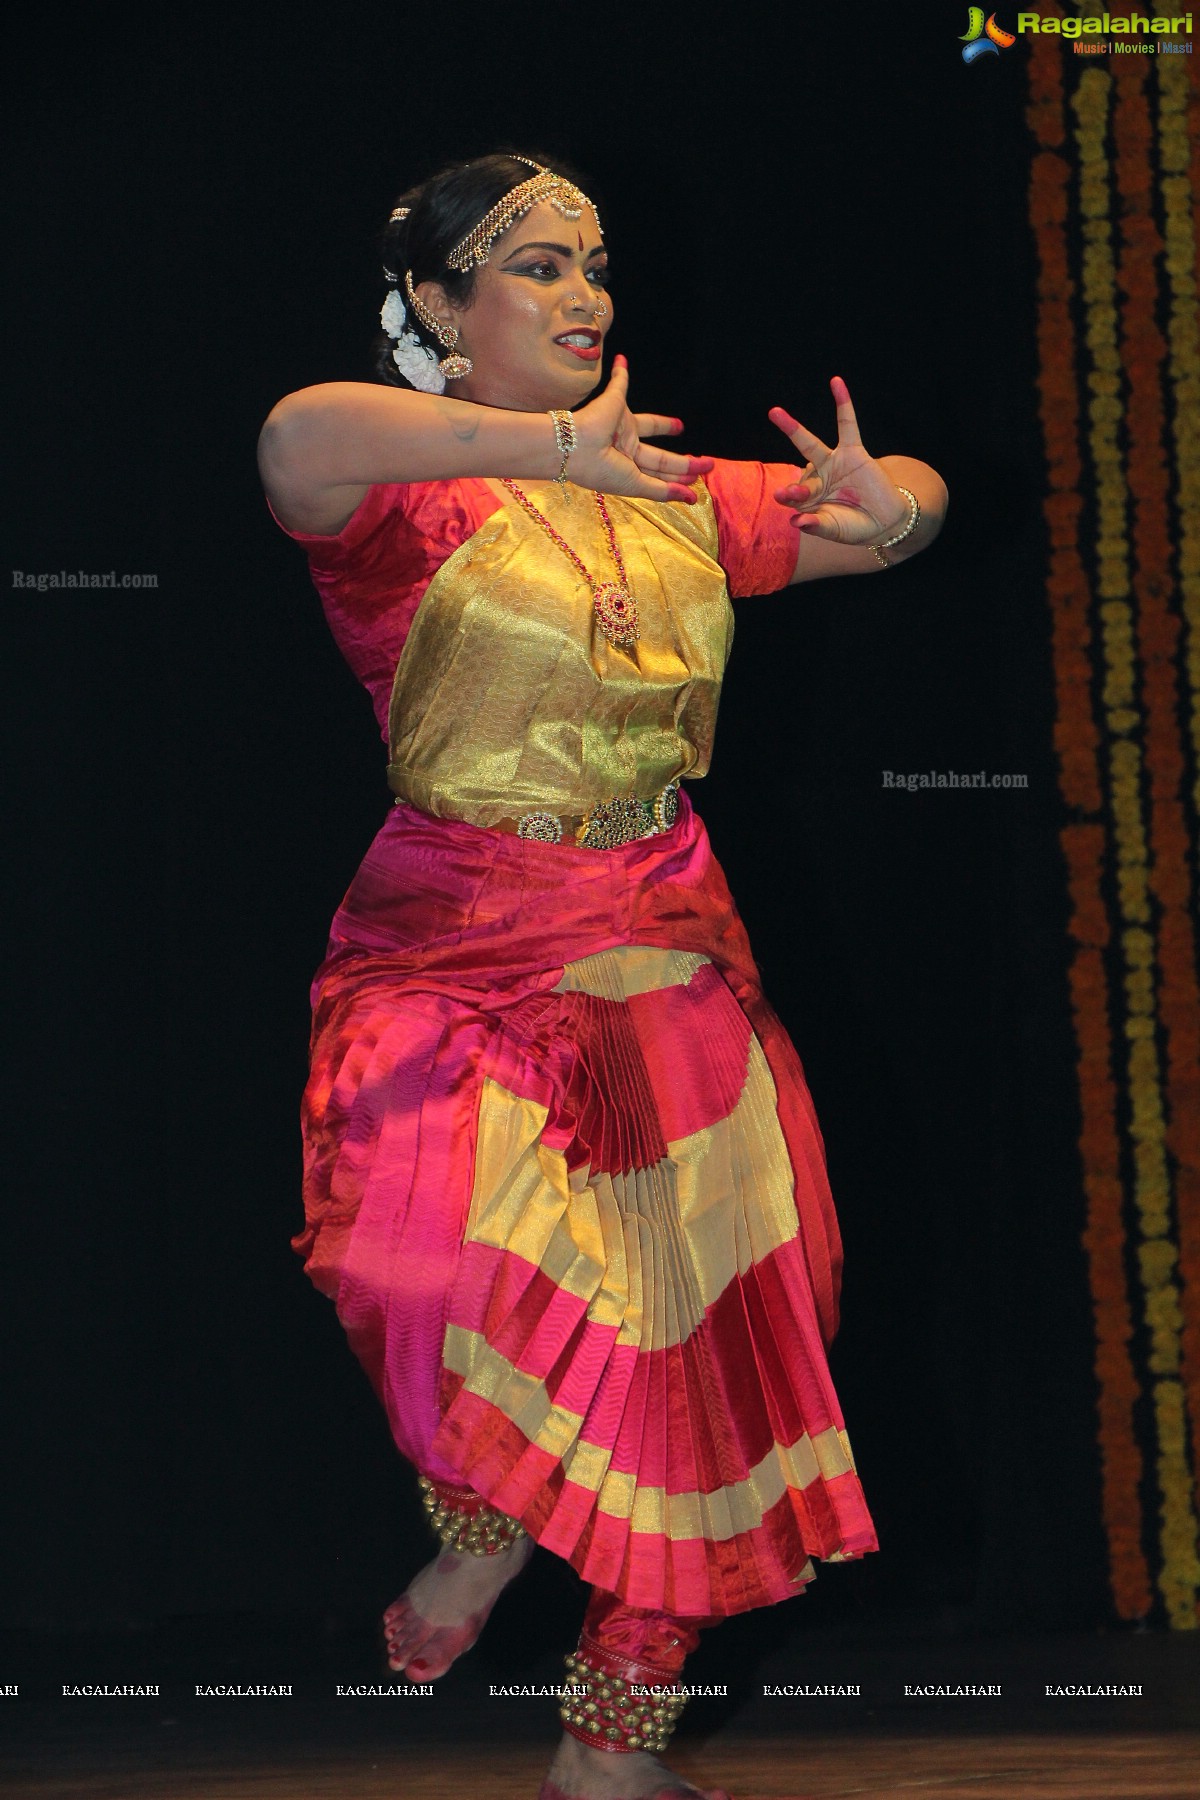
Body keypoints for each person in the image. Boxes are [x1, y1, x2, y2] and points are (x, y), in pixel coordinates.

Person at [258, 151, 947, 1800]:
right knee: (407, 1267)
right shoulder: (399, 494)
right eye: (538, 268)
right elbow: (295, 434)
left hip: (665, 931)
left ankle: (607, 1747)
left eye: (594, 266)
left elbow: (900, 507)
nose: (586, 297)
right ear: (436, 305)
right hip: (452, 934)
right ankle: (482, 1522)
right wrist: (549, 448)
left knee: (704, 1348)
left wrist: (896, 503)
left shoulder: (670, 489)